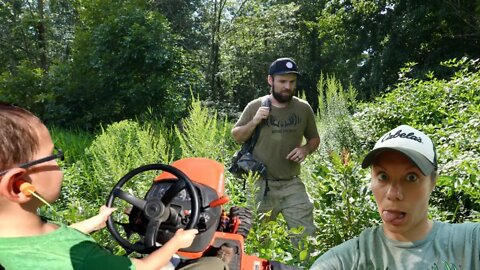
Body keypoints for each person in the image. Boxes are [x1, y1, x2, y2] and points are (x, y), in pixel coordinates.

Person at [0, 103, 227, 270]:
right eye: (51, 156)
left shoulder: (16, 236)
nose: (58, 161)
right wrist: (177, 242)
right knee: (212, 265)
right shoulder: (84, 260)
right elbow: (145, 266)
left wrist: (95, 222)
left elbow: (54, 239)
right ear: (18, 185)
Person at [310, 125, 480, 269]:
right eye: (383, 176)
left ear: (433, 182)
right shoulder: (346, 260)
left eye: (411, 177)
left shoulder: (470, 243)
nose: (393, 194)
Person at [231, 57, 320, 242]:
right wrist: (255, 121)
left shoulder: (303, 108)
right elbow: (237, 136)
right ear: (270, 80)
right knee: (255, 240)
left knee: (306, 240)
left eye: (291, 82)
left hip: (292, 185)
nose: (287, 86)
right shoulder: (256, 106)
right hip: (260, 186)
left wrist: (305, 149)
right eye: (282, 81)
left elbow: (314, 139)